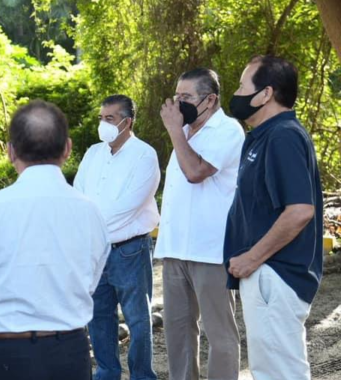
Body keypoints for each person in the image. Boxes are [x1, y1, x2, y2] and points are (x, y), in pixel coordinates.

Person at [0, 100, 111, 380]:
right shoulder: (91, 212)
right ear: (67, 149)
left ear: (10, 151)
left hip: (3, 353)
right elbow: (90, 282)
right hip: (69, 353)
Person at [224, 55, 322, 380]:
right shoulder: (267, 135)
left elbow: (300, 211)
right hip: (267, 276)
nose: (236, 93)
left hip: (274, 275)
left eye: (242, 86)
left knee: (279, 374)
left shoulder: (283, 136)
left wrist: (252, 258)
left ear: (265, 94)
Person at [154, 68, 244, 380]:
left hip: (211, 250)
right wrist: (180, 132)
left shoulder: (228, 130)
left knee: (219, 334)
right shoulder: (187, 131)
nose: (178, 104)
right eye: (176, 97)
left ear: (211, 99)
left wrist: (174, 131)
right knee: (177, 333)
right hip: (175, 250)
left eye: (186, 98)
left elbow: (196, 172)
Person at [74, 94, 160, 380]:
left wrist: (89, 225)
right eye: (101, 118)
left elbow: (129, 205)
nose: (103, 124)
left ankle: (141, 375)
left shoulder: (144, 154)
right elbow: (78, 193)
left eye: (109, 119)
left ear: (127, 122)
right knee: (98, 318)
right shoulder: (93, 153)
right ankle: (107, 372)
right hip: (94, 251)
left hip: (129, 250)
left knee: (138, 320)